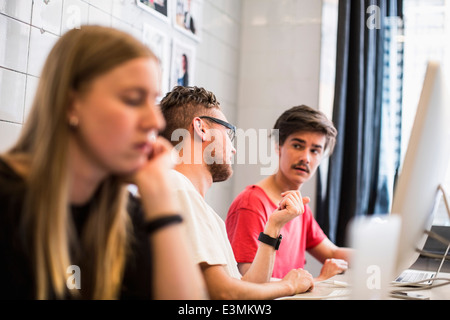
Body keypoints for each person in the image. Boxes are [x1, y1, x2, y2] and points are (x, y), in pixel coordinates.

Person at [0, 26, 205, 300]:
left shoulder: (125, 216)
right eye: (133, 100)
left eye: (153, 101)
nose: (156, 122)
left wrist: (161, 198)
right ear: (72, 105)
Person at [160, 86, 314, 300]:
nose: (233, 149)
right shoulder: (176, 187)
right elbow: (225, 294)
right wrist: (290, 286)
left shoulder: (203, 209)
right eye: (228, 132)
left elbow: (245, 288)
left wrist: (274, 226)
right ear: (201, 128)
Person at [226, 105, 352, 281]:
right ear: (279, 146)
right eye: (297, 145)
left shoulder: (299, 207)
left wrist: (382, 256)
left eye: (315, 150)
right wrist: (319, 280)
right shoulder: (251, 204)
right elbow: (250, 284)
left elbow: (332, 252)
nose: (306, 158)